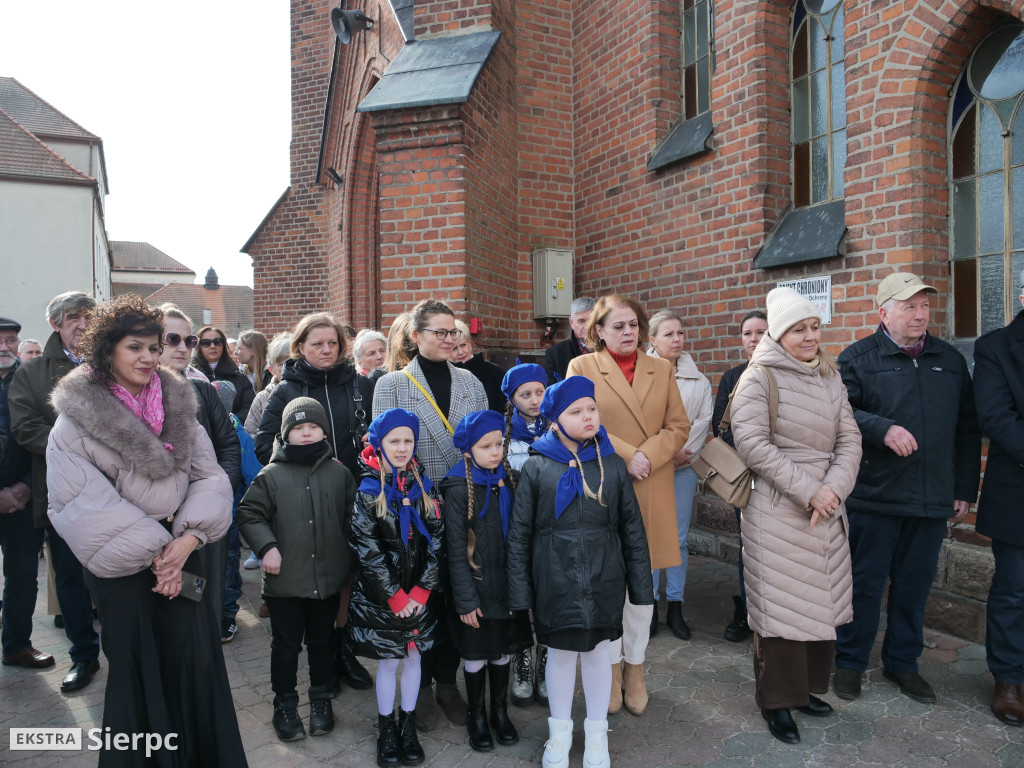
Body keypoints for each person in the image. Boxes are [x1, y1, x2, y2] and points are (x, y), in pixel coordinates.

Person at [44, 296, 245, 766]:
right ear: (107, 350)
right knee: (138, 669)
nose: (148, 357)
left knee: (195, 660)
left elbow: (210, 476)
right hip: (125, 568)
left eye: (154, 347)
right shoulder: (73, 421)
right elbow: (82, 506)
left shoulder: (180, 403)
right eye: (135, 347)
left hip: (186, 554)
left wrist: (190, 539)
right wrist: (162, 554)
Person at [833, 272, 981, 704]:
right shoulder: (857, 358)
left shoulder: (949, 360)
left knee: (914, 586)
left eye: (924, 306)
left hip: (931, 496)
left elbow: (967, 429)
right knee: (864, 584)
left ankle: (902, 663)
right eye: (909, 306)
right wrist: (881, 429)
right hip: (875, 495)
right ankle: (850, 661)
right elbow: (838, 414)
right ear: (884, 313)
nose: (920, 315)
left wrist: (963, 487)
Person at [730, 287, 862, 744]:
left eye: (814, 327)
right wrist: (811, 492)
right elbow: (752, 445)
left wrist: (834, 490)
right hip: (778, 509)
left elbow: (850, 438)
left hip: (826, 507)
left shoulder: (829, 374)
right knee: (781, 609)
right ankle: (776, 702)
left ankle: (805, 691)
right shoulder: (759, 376)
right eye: (799, 329)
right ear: (778, 333)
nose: (810, 336)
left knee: (820, 602)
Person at [506, 376, 653, 768]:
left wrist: (641, 587)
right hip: (555, 580)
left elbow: (632, 529)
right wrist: (520, 592)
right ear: (555, 421)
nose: (588, 416)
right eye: (576, 411)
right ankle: (559, 733)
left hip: (604, 579)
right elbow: (519, 535)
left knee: (599, 655)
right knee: (559, 656)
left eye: (592, 408)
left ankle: (597, 734)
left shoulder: (613, 466)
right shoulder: (536, 467)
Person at [566, 294, 689, 716]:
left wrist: (647, 456)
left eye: (633, 325)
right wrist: (627, 455)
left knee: (641, 585)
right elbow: (579, 421)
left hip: (651, 482)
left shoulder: (662, 368)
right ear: (598, 331)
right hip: (605, 484)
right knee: (607, 584)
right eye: (618, 326)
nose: (628, 332)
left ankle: (635, 668)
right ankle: (612, 668)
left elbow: (678, 425)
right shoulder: (582, 367)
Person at [373, 299, 487, 727]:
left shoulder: (471, 381)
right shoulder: (392, 385)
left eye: (453, 331)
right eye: (439, 332)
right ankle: (417, 687)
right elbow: (387, 452)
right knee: (422, 594)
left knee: (456, 593)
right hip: (416, 507)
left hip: (462, 501)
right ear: (415, 335)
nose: (449, 339)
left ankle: (447, 682)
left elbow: (483, 442)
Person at [255, 312, 374, 691]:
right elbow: (264, 443)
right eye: (317, 343)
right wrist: (306, 462)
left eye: (332, 343)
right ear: (300, 347)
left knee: (346, 575)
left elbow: (379, 434)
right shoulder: (286, 390)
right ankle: (322, 655)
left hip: (353, 495)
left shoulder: (359, 384)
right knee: (316, 576)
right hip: (304, 501)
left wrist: (367, 449)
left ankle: (342, 650)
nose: (326, 349)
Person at [238, 397, 355, 741]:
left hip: (327, 580)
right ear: (285, 434)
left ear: (324, 432)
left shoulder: (339, 474)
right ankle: (285, 705)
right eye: (299, 428)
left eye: (313, 427)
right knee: (286, 647)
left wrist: (348, 557)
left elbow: (352, 520)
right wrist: (267, 547)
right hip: (285, 582)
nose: (306, 433)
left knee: (322, 642)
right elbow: (249, 514)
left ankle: (321, 700)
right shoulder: (271, 475)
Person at [9, 291, 101, 691]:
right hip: (58, 489)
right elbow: (25, 428)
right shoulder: (32, 372)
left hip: (111, 487)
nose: (82, 324)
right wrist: (81, 448)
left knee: (113, 573)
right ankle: (81, 655)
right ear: (55, 323)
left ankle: (122, 653)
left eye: (88, 316)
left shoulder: (109, 363)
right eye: (73, 317)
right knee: (63, 576)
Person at [348, 408, 444, 767]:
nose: (402, 448)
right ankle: (386, 725)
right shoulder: (368, 493)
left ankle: (408, 722)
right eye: (394, 441)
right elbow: (367, 551)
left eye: (408, 441)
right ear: (379, 444)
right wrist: (394, 596)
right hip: (384, 599)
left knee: (415, 656)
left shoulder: (423, 487)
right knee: (389, 661)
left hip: (418, 598)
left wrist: (421, 591)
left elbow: (438, 540)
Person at [441, 410, 532, 751]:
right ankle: (477, 716)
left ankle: (499, 712)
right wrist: (466, 601)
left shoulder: (509, 481)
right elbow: (454, 551)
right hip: (476, 591)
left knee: (502, 652)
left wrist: (521, 591)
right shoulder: (456, 488)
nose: (495, 452)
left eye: (499, 445)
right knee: (477, 654)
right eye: (486, 446)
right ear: (468, 451)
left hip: (505, 587)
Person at [158, 305, 243, 644]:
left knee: (198, 599)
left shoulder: (202, 390)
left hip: (201, 519)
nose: (183, 347)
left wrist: (217, 496)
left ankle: (201, 649)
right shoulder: (129, 394)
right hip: (154, 521)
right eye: (172, 339)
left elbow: (229, 446)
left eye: (189, 340)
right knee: (163, 604)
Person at [973, 272, 1024, 726]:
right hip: (1019, 491)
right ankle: (1008, 679)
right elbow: (995, 416)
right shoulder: (996, 348)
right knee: (1014, 590)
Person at [647, 310, 713, 641]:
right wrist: (664, 453)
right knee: (649, 537)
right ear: (652, 339)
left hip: (683, 468)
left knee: (678, 538)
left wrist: (679, 453)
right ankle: (648, 607)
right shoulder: (639, 375)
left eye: (680, 333)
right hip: (649, 468)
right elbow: (641, 422)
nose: (677, 339)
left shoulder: (698, 380)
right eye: (669, 334)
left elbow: (702, 420)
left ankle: (675, 604)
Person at [711, 309, 767, 643]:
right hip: (746, 478)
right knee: (750, 547)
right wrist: (754, 455)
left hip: (783, 480)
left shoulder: (788, 373)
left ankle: (776, 619)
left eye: (761, 332)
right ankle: (748, 612)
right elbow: (720, 427)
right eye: (748, 333)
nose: (754, 339)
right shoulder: (733, 377)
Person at [498, 362, 549, 706]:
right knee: (519, 598)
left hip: (548, 532)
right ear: (512, 399)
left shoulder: (558, 429)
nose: (534, 400)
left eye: (540, 392)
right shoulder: (504, 436)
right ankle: (522, 661)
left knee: (546, 597)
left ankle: (545, 661)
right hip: (515, 531)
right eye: (525, 394)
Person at [0, 316, 44, 673]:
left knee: (23, 576)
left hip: (23, 498)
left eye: (11, 340)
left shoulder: (30, 381)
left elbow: (46, 438)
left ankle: (17, 646)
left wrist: (27, 485)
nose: (5, 347)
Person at [192, 325, 256, 422]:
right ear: (199, 346)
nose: (212, 346)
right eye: (206, 343)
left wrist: (231, 421)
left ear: (223, 345)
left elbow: (249, 407)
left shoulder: (238, 376)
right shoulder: (190, 375)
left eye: (217, 342)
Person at [450, 320, 506, 412]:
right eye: (454, 348)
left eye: (463, 345)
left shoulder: (496, 373)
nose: (460, 352)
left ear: (470, 343)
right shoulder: (443, 376)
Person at [244, 332, 292, 438]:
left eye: (293, 362)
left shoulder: (313, 389)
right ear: (271, 369)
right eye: (281, 364)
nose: (288, 367)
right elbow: (250, 434)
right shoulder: (262, 398)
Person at [544, 296, 595, 385]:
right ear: (571, 323)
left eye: (591, 320)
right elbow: (551, 390)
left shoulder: (610, 347)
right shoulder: (555, 354)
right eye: (581, 321)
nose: (587, 326)